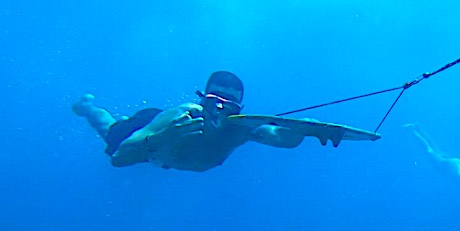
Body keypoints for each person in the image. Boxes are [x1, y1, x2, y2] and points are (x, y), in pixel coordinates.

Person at [72, 70, 373, 171]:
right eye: (214, 100)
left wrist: (304, 129)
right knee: (108, 128)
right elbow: (120, 158)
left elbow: (282, 138)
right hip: (148, 136)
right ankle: (88, 107)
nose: (220, 109)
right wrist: (163, 137)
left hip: (167, 159)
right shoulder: (180, 118)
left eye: (229, 104)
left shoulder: (240, 129)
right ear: (201, 97)